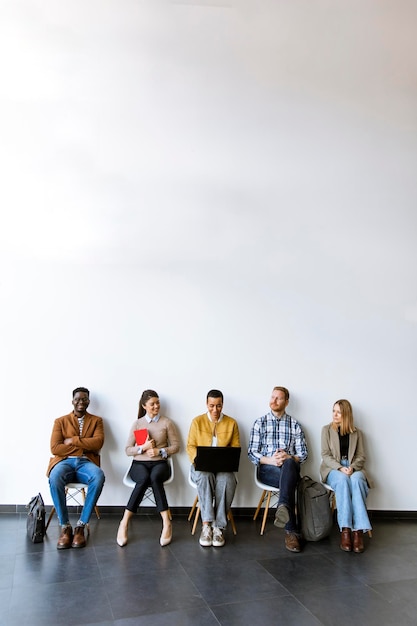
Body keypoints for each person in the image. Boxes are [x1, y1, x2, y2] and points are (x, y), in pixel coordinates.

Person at [248, 386, 308, 553]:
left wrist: (289, 457)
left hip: (289, 467)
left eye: (278, 398)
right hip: (268, 469)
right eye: (272, 397)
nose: (273, 401)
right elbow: (252, 452)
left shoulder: (295, 424)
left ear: (286, 402)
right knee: (288, 478)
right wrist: (272, 460)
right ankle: (291, 532)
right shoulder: (260, 422)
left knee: (289, 465)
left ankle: (283, 507)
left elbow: (303, 454)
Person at [117, 390, 180, 547]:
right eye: (152, 404)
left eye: (157, 402)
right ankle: (124, 523)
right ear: (144, 406)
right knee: (144, 478)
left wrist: (160, 451)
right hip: (139, 464)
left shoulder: (167, 423)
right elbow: (127, 450)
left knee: (154, 477)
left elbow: (176, 446)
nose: (156, 406)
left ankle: (167, 523)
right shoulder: (138, 424)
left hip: (160, 463)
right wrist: (142, 448)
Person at [47, 387, 105, 550]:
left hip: (86, 463)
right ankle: (65, 526)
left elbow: (98, 443)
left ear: (89, 401)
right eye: (78, 399)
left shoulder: (97, 421)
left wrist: (72, 440)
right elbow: (55, 448)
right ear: (72, 401)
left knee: (99, 476)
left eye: (84, 399)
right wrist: (84, 446)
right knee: (54, 477)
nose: (81, 402)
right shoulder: (60, 421)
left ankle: (80, 526)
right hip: (64, 462)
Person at [186, 389, 240, 548]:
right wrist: (198, 460)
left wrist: (227, 461)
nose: (215, 410)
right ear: (206, 404)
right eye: (211, 406)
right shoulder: (197, 421)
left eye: (218, 406)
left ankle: (219, 527)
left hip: (223, 468)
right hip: (201, 467)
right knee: (204, 476)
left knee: (228, 479)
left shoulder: (231, 423)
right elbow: (190, 446)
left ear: (222, 405)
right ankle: (206, 525)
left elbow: (235, 448)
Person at [320, 399, 372, 553]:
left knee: (356, 481)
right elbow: (325, 454)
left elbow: (361, 456)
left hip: (353, 467)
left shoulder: (357, 433)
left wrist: (352, 467)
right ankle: (346, 530)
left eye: (339, 412)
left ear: (346, 414)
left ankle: (358, 532)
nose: (335, 415)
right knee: (342, 481)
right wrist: (340, 467)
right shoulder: (326, 430)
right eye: (333, 411)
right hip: (333, 468)